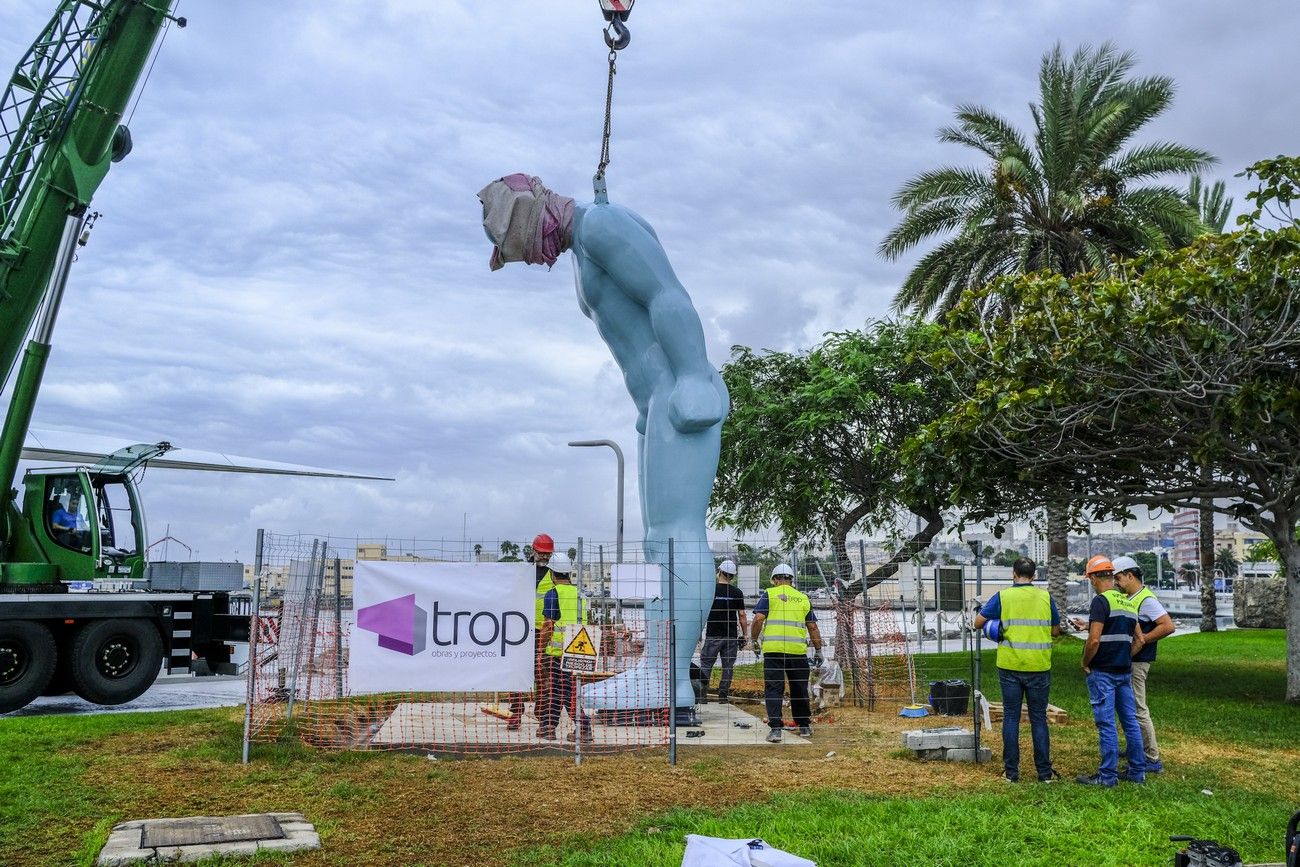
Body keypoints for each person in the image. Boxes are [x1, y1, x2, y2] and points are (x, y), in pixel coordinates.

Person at [480, 174, 729, 714]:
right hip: (657, 405)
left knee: (676, 533)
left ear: (532, 214)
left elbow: (667, 292)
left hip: (678, 391)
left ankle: (669, 682)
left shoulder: (603, 227)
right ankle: (662, 673)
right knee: (658, 539)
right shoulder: (587, 238)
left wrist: (689, 374)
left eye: (519, 247)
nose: (527, 259)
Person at [973, 557, 1062, 783]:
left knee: (1011, 718)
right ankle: (1044, 774)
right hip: (1039, 665)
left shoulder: (1003, 596)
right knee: (1038, 719)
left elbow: (978, 622)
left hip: (1010, 665)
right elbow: (1055, 630)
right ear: (1034, 575)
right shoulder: (1045, 597)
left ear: (1014, 574)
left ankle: (1011, 773)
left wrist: (995, 627)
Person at [1072, 555, 1146, 787]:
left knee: (1106, 725)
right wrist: (1124, 656)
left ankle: (1107, 776)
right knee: (1130, 722)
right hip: (1124, 671)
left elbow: (1094, 640)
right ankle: (1137, 772)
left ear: (1094, 578)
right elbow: (1140, 640)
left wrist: (1085, 662)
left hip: (1102, 671)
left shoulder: (1101, 602)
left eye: (1090, 579)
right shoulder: (1127, 602)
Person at [1112, 555, 1175, 774]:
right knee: (1129, 708)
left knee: (1139, 709)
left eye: (1118, 578)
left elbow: (1167, 626)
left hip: (1139, 661)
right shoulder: (1132, 597)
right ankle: (1134, 748)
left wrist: (1143, 640)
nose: (1116, 583)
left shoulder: (1146, 599)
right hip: (1130, 659)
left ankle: (1151, 758)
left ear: (1130, 575)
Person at [750, 563, 823, 744]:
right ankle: (804, 725)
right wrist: (819, 650)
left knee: (774, 689)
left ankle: (775, 729)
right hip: (797, 652)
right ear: (792, 580)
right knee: (799, 688)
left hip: (773, 651)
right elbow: (812, 626)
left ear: (775, 579)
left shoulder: (770, 594)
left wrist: (754, 640)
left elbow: (758, 618)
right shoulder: (802, 598)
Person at [536, 552, 593, 742]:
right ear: (569, 573)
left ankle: (583, 727)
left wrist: (540, 650)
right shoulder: (580, 595)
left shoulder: (553, 593)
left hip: (557, 652)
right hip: (579, 650)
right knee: (561, 689)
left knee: (563, 691)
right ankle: (548, 726)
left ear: (552, 573)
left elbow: (548, 625)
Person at [507, 532, 557, 732]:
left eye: (548, 554)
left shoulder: (553, 575)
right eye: (542, 553)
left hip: (541, 631)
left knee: (542, 673)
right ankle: (516, 711)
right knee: (517, 672)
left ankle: (542, 711)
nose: (545, 557)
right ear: (533, 551)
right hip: (520, 630)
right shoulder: (520, 571)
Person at [698, 559, 749, 704]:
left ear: (719, 572)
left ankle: (702, 696)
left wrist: (698, 635)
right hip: (731, 636)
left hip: (713, 634)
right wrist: (745, 635)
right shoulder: (737, 592)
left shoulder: (710, 590)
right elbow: (742, 615)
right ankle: (723, 696)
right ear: (732, 576)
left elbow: (701, 613)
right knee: (728, 666)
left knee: (706, 665)